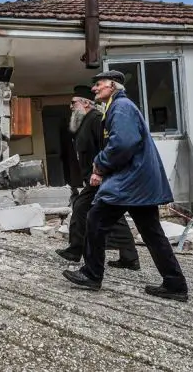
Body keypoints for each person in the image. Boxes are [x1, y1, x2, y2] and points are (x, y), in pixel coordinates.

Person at [62, 70, 188, 302]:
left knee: (96, 219)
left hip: (131, 181)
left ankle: (92, 274)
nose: (94, 88)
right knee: (152, 233)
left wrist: (99, 165)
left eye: (99, 84)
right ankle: (175, 284)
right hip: (138, 182)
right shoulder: (118, 107)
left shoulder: (120, 107)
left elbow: (123, 143)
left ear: (112, 85)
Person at [56, 85, 140, 270]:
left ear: (86, 103)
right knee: (84, 208)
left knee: (106, 214)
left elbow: (106, 148)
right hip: (93, 177)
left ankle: (83, 253)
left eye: (73, 103)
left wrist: (100, 172)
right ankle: (79, 250)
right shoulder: (84, 122)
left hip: (101, 177)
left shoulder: (95, 120)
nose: (70, 106)